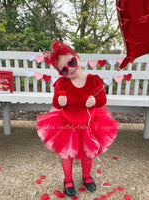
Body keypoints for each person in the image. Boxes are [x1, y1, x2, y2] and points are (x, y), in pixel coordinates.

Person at [37, 40, 118, 197]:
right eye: (64, 69)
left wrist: (95, 101)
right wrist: (59, 102)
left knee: (87, 153)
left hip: (88, 125)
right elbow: (56, 102)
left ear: (78, 58)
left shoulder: (93, 80)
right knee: (67, 153)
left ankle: (86, 176)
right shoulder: (63, 83)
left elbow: (102, 100)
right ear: (61, 73)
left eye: (72, 62)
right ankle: (68, 179)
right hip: (68, 124)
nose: (70, 69)